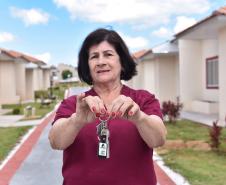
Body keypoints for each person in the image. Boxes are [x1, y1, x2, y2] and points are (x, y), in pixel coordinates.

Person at [48, 28, 167, 185]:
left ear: (122, 62)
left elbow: (158, 139)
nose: (101, 61)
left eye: (108, 54)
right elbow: (56, 142)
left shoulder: (143, 99)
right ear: (87, 65)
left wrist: (139, 118)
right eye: (94, 56)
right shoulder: (75, 104)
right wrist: (77, 120)